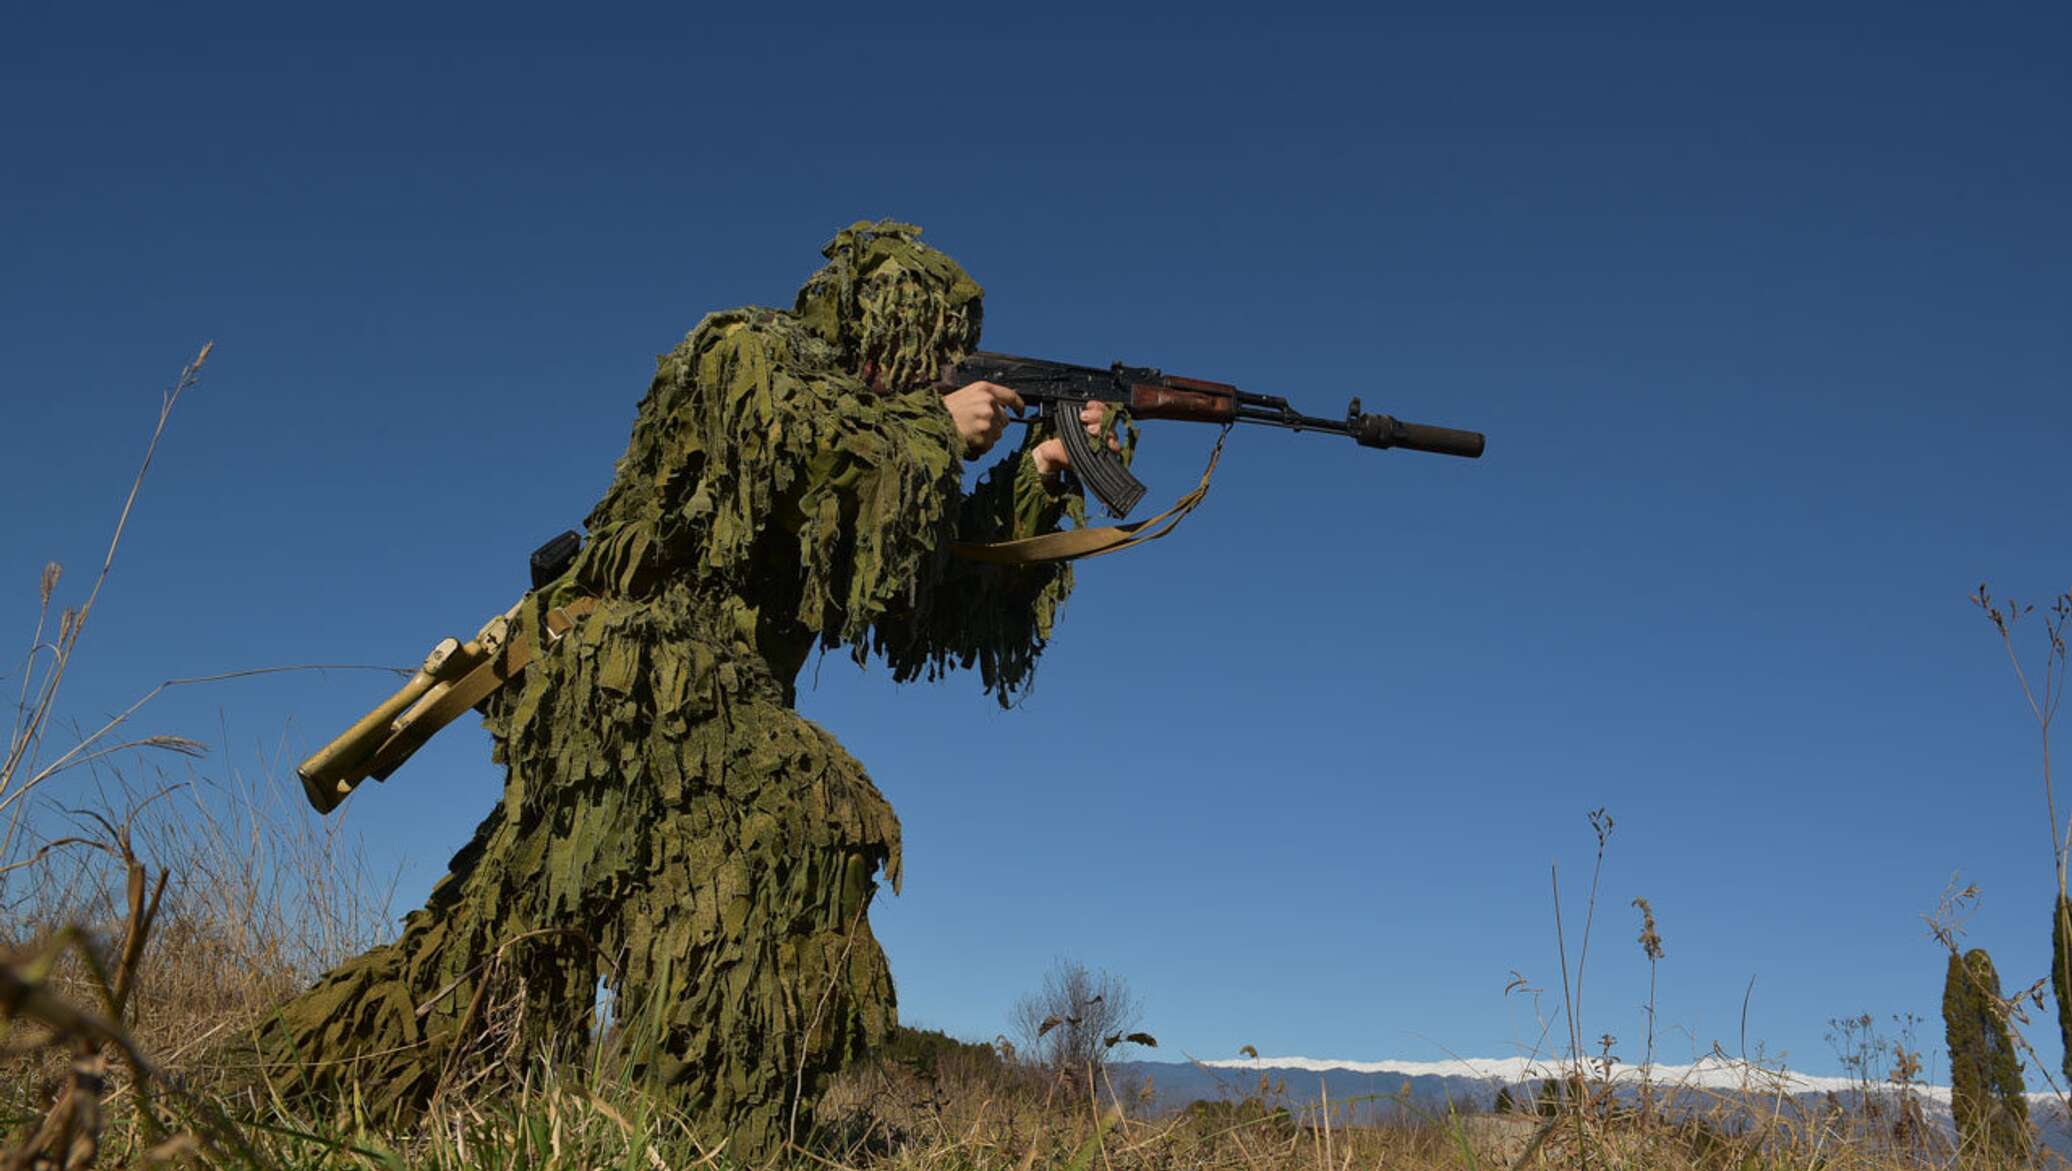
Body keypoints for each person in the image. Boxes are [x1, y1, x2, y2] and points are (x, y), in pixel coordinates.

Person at [258, 220, 1121, 1159]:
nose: (928, 373)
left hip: (684, 715)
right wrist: (930, 429)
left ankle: (278, 1087)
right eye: (915, 350)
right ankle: (697, 1142)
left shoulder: (879, 439)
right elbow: (802, 448)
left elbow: (927, 601)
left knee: (498, 952)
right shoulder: (747, 350)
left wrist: (1037, 478)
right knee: (807, 822)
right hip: (625, 681)